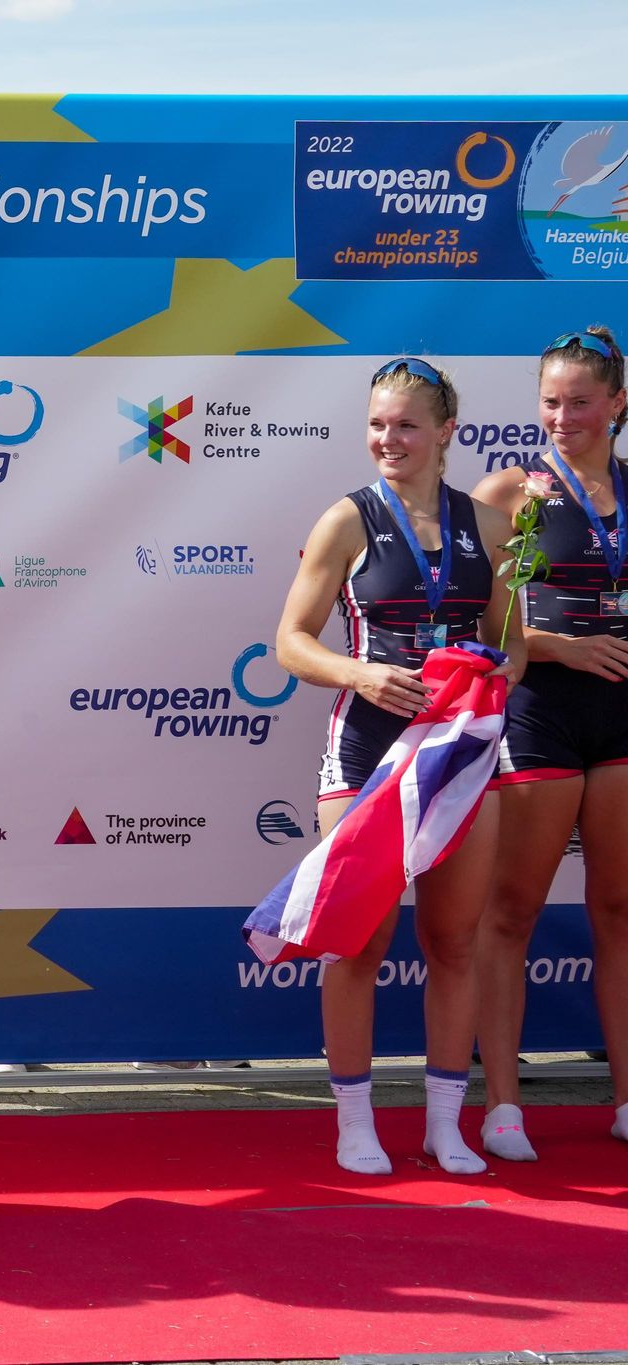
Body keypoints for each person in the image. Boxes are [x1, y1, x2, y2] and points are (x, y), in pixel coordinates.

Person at [275, 358, 522, 1176]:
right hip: (366, 756)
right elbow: (291, 642)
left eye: (407, 425)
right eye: (378, 424)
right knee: (358, 943)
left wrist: (485, 675)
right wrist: (361, 673)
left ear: (446, 431)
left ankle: (446, 1124)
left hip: (459, 756)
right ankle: (355, 1122)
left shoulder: (489, 527)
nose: (389, 439)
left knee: (453, 943)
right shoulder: (347, 519)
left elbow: (514, 642)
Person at [474, 326, 628, 1160]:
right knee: (512, 910)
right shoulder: (511, 490)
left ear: (618, 404)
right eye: (550, 402)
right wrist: (561, 647)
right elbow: (472, 619)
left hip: (623, 716)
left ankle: (626, 1098)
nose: (563, 418)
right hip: (541, 712)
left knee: (619, 910)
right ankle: (503, 1104)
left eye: (580, 403)